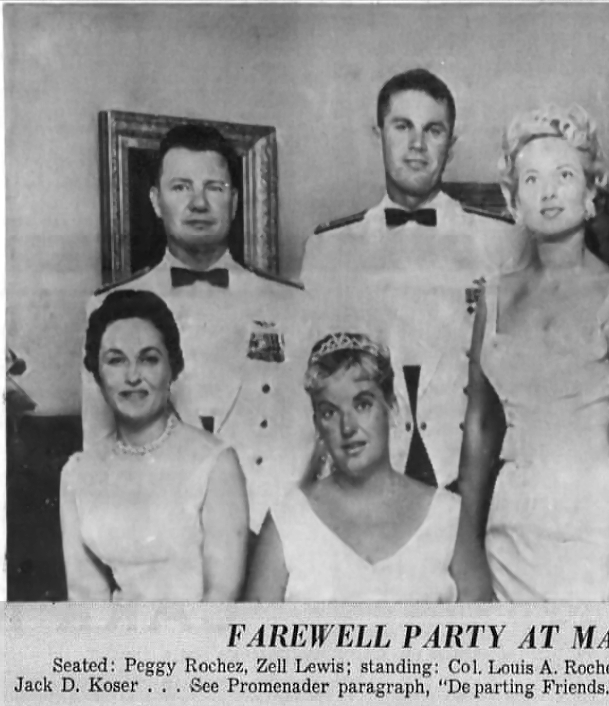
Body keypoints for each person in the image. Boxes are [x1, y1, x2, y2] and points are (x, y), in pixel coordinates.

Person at [458, 105, 609, 602]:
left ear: (590, 191)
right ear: (514, 200)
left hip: (593, 528)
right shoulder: (493, 297)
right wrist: (464, 542)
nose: (548, 192)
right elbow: (479, 426)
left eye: (564, 175)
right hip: (509, 523)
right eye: (532, 179)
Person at [299, 68, 526, 492]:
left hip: (470, 476)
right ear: (379, 134)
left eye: (433, 130)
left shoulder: (503, 241)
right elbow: (314, 387)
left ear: (451, 144)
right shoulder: (330, 248)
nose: (417, 144)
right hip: (367, 477)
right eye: (402, 126)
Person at [82, 124, 314, 535]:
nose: (199, 203)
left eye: (214, 188)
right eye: (181, 187)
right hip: (160, 534)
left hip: (266, 532)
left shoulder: (290, 305)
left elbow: (306, 439)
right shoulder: (109, 308)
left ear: (235, 201)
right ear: (156, 201)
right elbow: (100, 450)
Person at [244, 332, 492, 602]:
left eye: (362, 405)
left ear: (391, 408)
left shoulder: (447, 518)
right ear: (317, 425)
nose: (347, 427)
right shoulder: (287, 522)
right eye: (330, 412)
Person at [61, 290, 248, 601]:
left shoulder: (215, 462)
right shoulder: (77, 473)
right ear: (97, 373)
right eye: (115, 360)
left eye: (148, 359)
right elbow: (85, 596)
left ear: (172, 368)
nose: (132, 376)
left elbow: (222, 595)